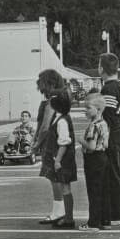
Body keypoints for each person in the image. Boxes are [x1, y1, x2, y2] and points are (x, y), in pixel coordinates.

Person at [38, 91, 77, 228]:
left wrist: (57, 160)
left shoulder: (62, 121)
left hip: (63, 160)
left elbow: (64, 142)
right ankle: (66, 216)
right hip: (63, 159)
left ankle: (69, 219)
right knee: (65, 187)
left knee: (65, 187)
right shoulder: (60, 117)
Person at [99, 52, 120, 226]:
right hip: (118, 133)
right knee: (114, 174)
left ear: (102, 68)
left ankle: (113, 215)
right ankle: (114, 214)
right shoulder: (119, 86)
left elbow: (107, 116)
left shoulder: (108, 88)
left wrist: (103, 140)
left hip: (112, 135)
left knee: (111, 175)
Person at [80, 92, 111, 230]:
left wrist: (80, 141)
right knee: (103, 190)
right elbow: (106, 144)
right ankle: (105, 220)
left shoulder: (93, 125)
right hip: (103, 158)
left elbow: (91, 147)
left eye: (88, 108)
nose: (85, 111)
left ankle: (93, 222)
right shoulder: (104, 123)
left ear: (97, 109)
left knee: (93, 191)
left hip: (93, 160)